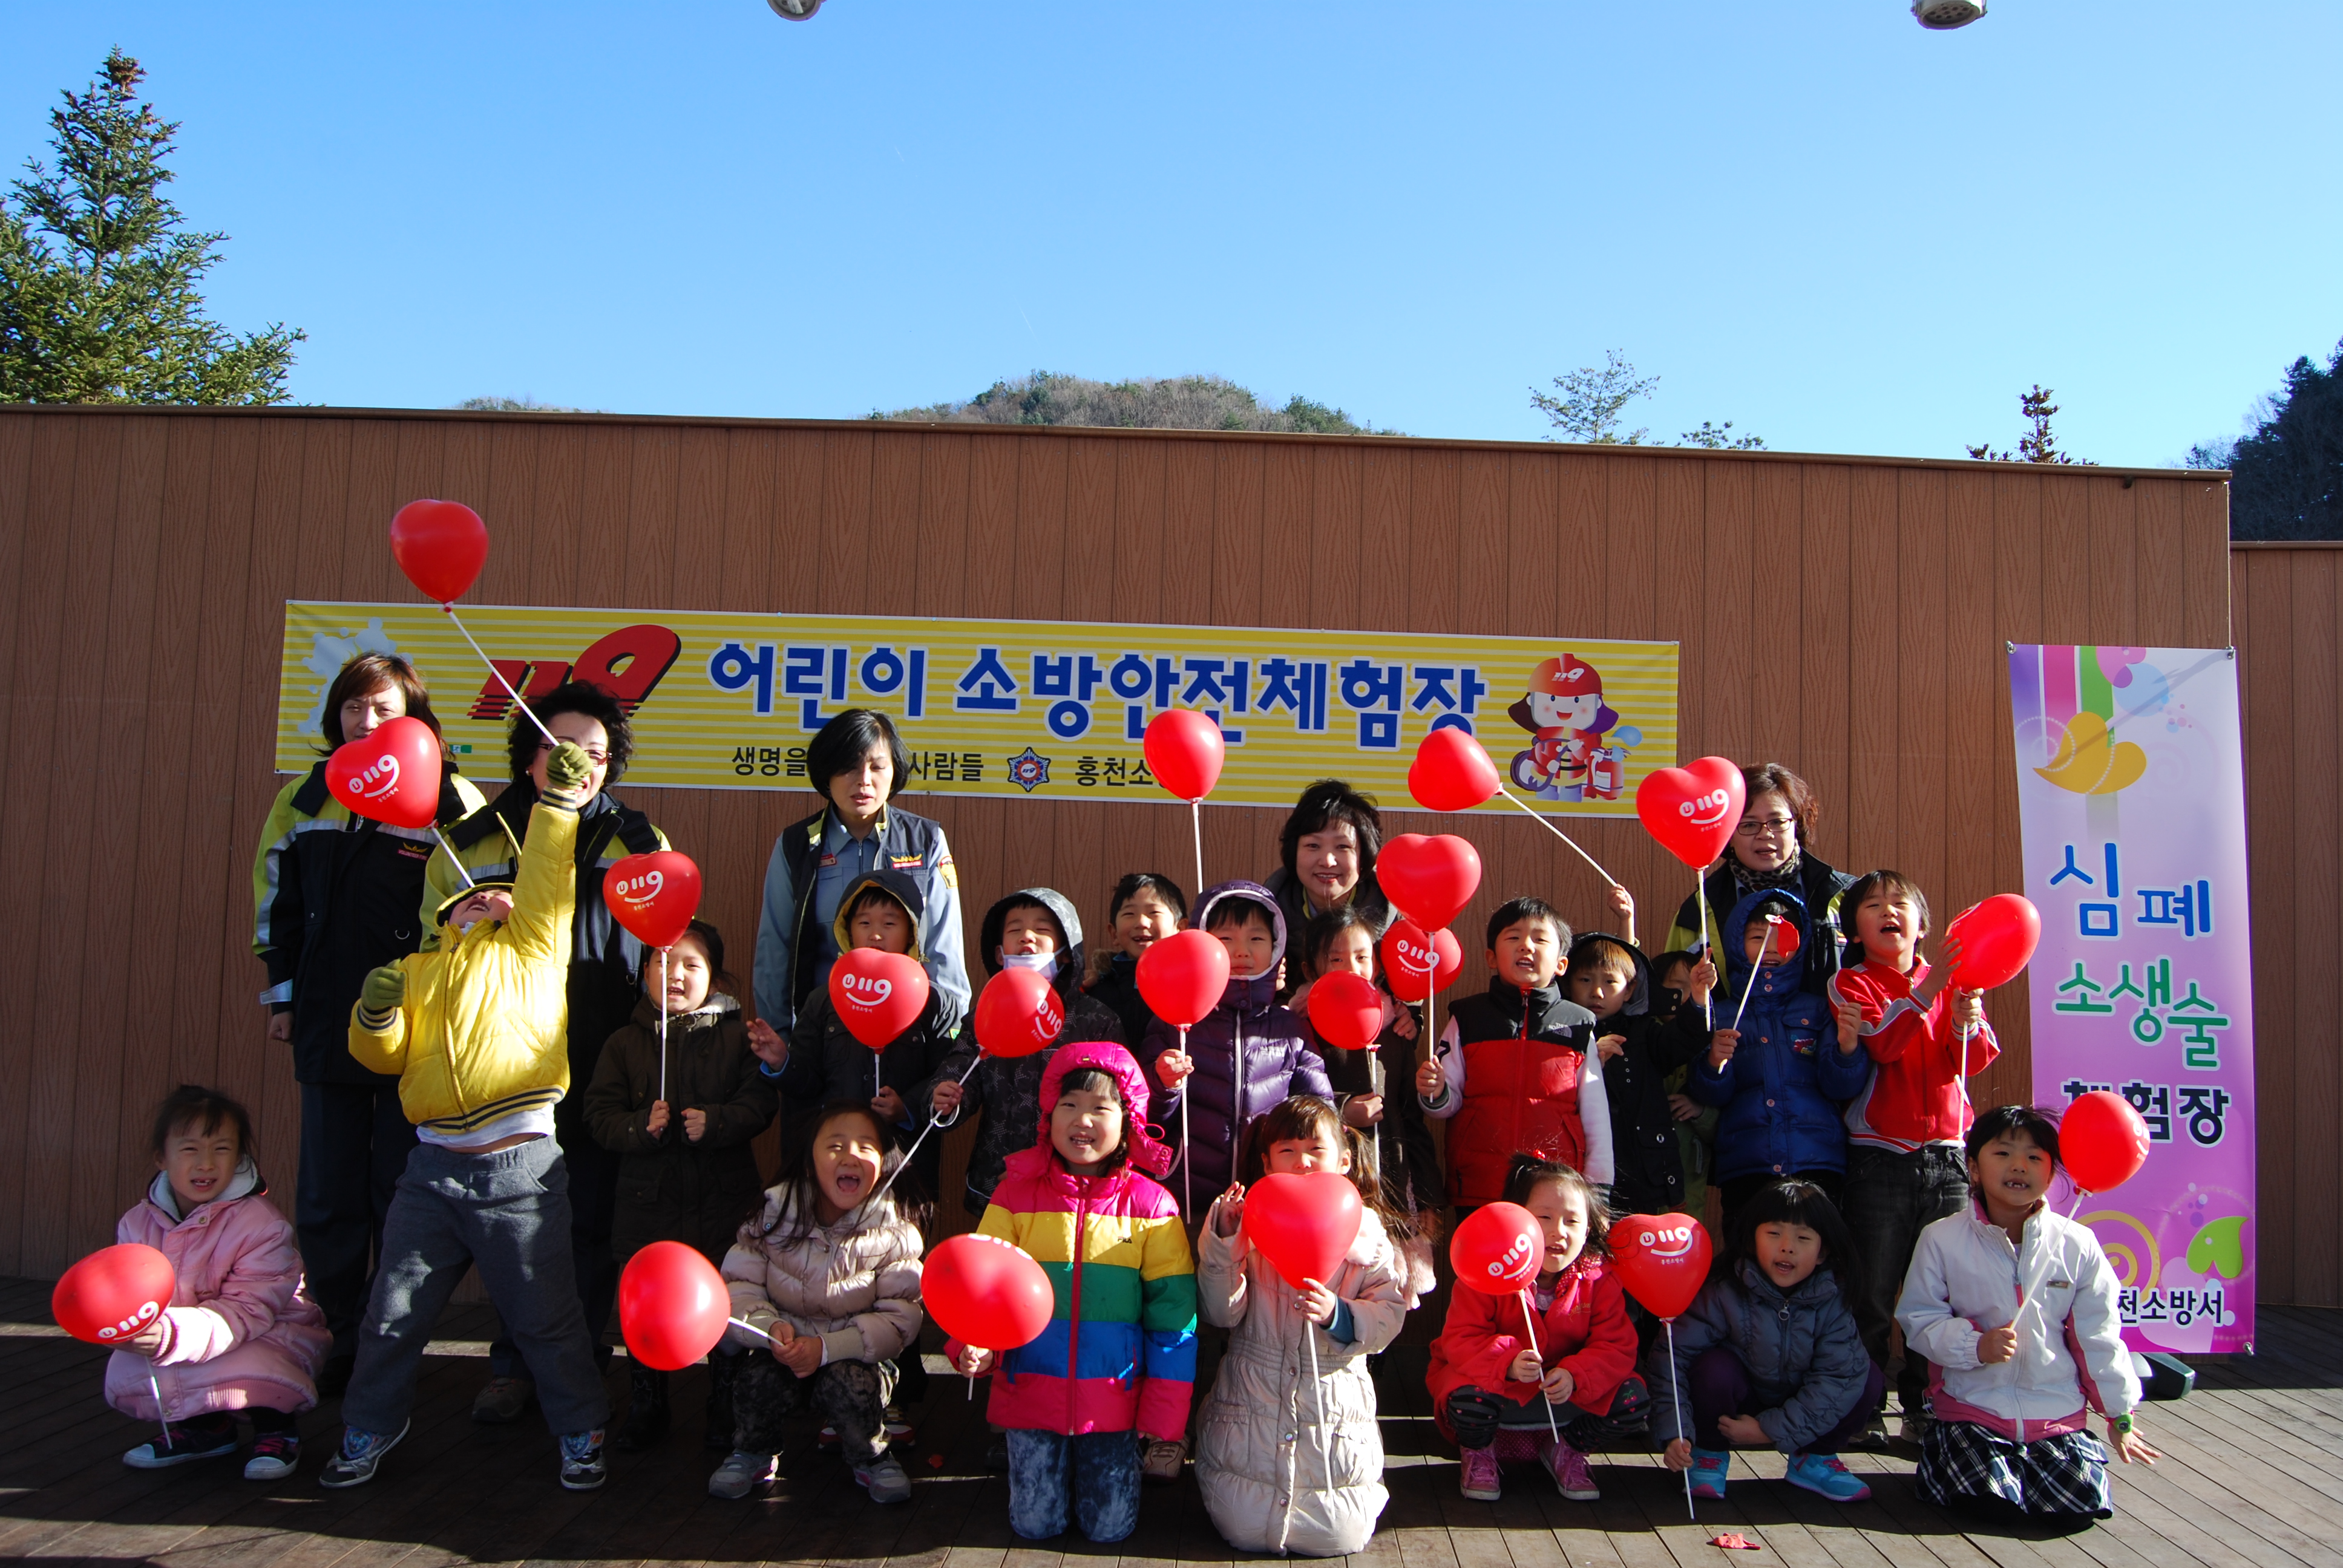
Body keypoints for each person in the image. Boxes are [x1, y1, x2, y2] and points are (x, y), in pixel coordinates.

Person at [323, 739, 611, 1491]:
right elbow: (383, 1058)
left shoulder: (534, 949)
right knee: (391, 1313)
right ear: (442, 911)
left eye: (500, 892)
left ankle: (580, 1429)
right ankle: (369, 1424)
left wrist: (557, 805)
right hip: (429, 1169)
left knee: (545, 1317)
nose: (486, 898)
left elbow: (548, 872)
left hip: (521, 1170)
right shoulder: (416, 971)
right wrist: (374, 1014)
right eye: (469, 895)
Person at [422, 681, 668, 1422]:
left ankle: (581, 1360)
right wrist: (469, 922)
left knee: (588, 1217)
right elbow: (429, 949)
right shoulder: (473, 839)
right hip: (503, 1060)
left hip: (600, 1055)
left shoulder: (637, 840)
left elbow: (662, 947)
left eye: (597, 753)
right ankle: (511, 1364)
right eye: (564, 750)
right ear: (529, 757)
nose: (582, 765)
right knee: (513, 1220)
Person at [252, 652, 485, 1393]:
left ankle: (392, 1342)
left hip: (415, 1028)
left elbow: (482, 906)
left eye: (384, 708)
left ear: (415, 716)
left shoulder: (452, 796)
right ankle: (335, 1335)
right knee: (328, 1192)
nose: (366, 721)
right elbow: (276, 904)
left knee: (401, 1190)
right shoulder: (306, 795)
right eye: (354, 707)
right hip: (326, 1019)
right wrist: (284, 999)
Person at [948, 1040, 1197, 1542]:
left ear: (1129, 1121)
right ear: (1049, 1116)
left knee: (1110, 1530)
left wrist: (1163, 1409)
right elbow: (982, 1285)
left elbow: (1174, 1317)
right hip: (1030, 1391)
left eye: (1101, 1108)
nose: (1083, 1120)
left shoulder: (1152, 1206)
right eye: (1070, 1105)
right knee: (1034, 1525)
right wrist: (971, 1344)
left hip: (1114, 1401)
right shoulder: (1014, 1195)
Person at [1898, 1106, 2156, 1531]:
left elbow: (2100, 1336)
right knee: (1988, 1502)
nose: (2019, 1166)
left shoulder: (2078, 1244)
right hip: (1973, 1408)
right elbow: (1919, 1317)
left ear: (2052, 1173)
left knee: (2077, 1508)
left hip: (2056, 1413)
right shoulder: (1941, 1238)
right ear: (1973, 1167)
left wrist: (2119, 1414)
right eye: (2003, 1153)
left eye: (2035, 1157)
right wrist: (1975, 1346)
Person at [582, 920, 778, 1453]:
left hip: (723, 1202)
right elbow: (598, 1114)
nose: (675, 973)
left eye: (692, 964)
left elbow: (760, 1103)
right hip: (647, 1203)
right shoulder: (624, 1043)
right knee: (647, 1304)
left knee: (727, 1300)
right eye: (662, 961)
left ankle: (724, 1401)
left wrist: (717, 1122)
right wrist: (637, 1127)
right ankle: (648, 1402)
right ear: (644, 971)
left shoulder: (737, 1038)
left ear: (714, 978)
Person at [1194, 1097, 1408, 1557]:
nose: (1302, 1161)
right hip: (1253, 1399)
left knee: (1339, 1532)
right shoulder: (1250, 1223)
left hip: (1333, 1399)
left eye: (1315, 1149)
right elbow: (1220, 1313)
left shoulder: (1368, 1234)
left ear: (1344, 1160)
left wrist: (1340, 1315)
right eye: (1287, 1151)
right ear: (1267, 1163)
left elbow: (1389, 1315)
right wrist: (1226, 1244)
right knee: (1243, 1523)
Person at [1826, 871, 1997, 1443]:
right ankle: (1867, 1404)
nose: (1888, 912)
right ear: (1855, 929)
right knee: (1872, 1293)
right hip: (1880, 1158)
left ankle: (1928, 1406)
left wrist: (1964, 1020)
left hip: (1948, 1159)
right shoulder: (1850, 982)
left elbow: (1975, 1059)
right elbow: (1882, 1044)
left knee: (1942, 1294)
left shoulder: (1954, 981)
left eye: (1900, 903)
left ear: (1922, 925)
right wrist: (1930, 991)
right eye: (1873, 905)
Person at [108, 1086, 330, 1480]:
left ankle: (276, 1429)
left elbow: (250, 1311)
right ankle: (205, 1429)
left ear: (240, 1157)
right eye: (190, 1150)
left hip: (270, 1333)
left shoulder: (261, 1223)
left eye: (222, 1149)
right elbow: (126, 1292)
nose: (206, 1164)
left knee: (250, 1357)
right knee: (129, 1363)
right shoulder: (136, 1224)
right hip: (191, 1332)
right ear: (162, 1157)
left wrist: (171, 1334)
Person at [712, 1102, 927, 1507]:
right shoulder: (773, 1216)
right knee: (756, 1380)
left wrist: (827, 1349)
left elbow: (899, 1322)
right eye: (836, 1146)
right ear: (810, 1163)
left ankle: (872, 1456)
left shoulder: (895, 1232)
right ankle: (754, 1452)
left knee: (854, 1386)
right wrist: (768, 1328)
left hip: (855, 1357)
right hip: (782, 1349)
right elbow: (738, 1290)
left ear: (883, 1164)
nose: (851, 1156)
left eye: (866, 1147)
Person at [1651, 1179, 1884, 1502]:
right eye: (1774, 1234)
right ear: (1751, 1241)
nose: (1787, 1247)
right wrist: (1676, 1432)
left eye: (1803, 1238)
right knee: (1713, 1368)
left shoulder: (1833, 1298)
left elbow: (1837, 1378)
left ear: (1822, 1252)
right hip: (1738, 1404)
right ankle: (1707, 1454)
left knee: (1866, 1376)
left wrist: (1767, 1431)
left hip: (1803, 1402)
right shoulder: (1723, 1290)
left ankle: (1814, 1458)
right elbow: (1673, 1355)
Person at [1427, 1157, 1640, 1503]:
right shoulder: (1487, 1269)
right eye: (1545, 1218)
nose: (1559, 1231)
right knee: (1466, 1398)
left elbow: (1616, 1345)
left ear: (1588, 1229)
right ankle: (1479, 1451)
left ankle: (1568, 1449)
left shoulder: (1599, 1279)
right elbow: (1461, 1338)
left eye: (1572, 1221)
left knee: (1634, 1399)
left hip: (1566, 1397)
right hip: (1500, 1390)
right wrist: (1507, 1362)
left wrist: (1576, 1374)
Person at [755, 707, 971, 1050]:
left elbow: (945, 949)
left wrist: (948, 1041)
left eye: (877, 767)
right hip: (822, 1037)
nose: (864, 780)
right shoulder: (796, 845)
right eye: (849, 767)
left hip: (908, 1035)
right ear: (826, 774)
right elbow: (775, 949)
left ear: (894, 771)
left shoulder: (926, 840)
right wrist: (783, 1041)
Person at [750, 871, 957, 1191]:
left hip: (902, 1165)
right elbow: (806, 1084)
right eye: (864, 923)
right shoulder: (824, 998)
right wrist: (782, 1062)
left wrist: (906, 1106)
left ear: (912, 933)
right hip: (835, 1167)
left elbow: (945, 1075)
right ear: (847, 931)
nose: (876, 934)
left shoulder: (934, 1002)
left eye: (889, 924)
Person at [925, 887, 1125, 1218]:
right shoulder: (985, 1014)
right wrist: (945, 1096)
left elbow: (1116, 1105)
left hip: (1071, 1184)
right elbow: (962, 1068)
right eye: (1015, 929)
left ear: (1066, 952)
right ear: (999, 953)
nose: (1027, 937)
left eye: (1042, 929)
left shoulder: (1095, 1021)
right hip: (996, 1176)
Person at [1146, 882, 1334, 1214]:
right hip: (1183, 1197)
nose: (1242, 951)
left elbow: (1318, 1110)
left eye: (1256, 939)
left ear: (1276, 947)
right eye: (1226, 939)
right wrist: (1164, 1085)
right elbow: (1146, 1118)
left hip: (1270, 1199)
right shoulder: (1172, 1021)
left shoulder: (1290, 1028)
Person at [1415, 897, 1613, 1209]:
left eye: (1540, 939)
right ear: (1492, 958)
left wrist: (1599, 1192)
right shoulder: (1468, 1018)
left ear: (1561, 964)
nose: (1526, 946)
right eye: (1513, 937)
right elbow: (1444, 1107)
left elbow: (1596, 1116)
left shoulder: (1578, 1025)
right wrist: (1435, 1090)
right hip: (1480, 1185)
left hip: (1554, 1194)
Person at [1683, 889, 1867, 1223]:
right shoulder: (1721, 1014)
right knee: (1748, 1249)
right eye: (1758, 937)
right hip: (1747, 1163)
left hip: (1817, 1160)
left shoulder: (1818, 1008)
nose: (1770, 948)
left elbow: (1841, 1088)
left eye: (1782, 938)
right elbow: (1710, 1095)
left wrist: (1847, 1048)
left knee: (1816, 1248)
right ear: (1737, 943)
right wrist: (1714, 1064)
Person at [1291, 905, 1440, 1301]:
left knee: (1387, 1292)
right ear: (1310, 970)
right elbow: (1292, 1099)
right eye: (1336, 959)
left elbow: (1411, 1115)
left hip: (1390, 1176)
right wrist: (1343, 1110)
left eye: (1361, 957)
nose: (1352, 969)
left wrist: (1428, 1191)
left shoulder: (1394, 1029)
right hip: (1327, 1184)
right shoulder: (1299, 1028)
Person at [1662, 763, 1855, 995]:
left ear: (1797, 824)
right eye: (1749, 825)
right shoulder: (1700, 910)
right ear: (1727, 833)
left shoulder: (1846, 896)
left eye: (1777, 822)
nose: (1765, 834)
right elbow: (1673, 993)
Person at [1564, 927, 1706, 1218]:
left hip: (1643, 1171)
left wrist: (1699, 999)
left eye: (1610, 982)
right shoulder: (1563, 1033)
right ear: (1567, 983)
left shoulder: (1644, 1032)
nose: (1597, 992)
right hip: (1581, 1171)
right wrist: (1589, 1060)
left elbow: (1683, 1041)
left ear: (1629, 990)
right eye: (1585, 980)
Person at [1262, 780, 1394, 955]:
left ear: (1365, 856)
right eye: (1313, 846)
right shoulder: (1263, 916)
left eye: (1343, 847)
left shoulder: (1398, 923)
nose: (1327, 861)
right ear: (1294, 852)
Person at [1648, 949, 1720, 1223]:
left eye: (1695, 987)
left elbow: (1722, 1122)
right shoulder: (1643, 1038)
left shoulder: (1711, 1045)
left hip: (1690, 1179)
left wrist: (1701, 1111)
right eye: (1677, 988)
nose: (1688, 996)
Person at [1084, 872, 1186, 1045]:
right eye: (1129, 913)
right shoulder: (1097, 990)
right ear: (1114, 933)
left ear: (1181, 928)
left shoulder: (1188, 986)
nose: (1142, 922)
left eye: (1154, 912)